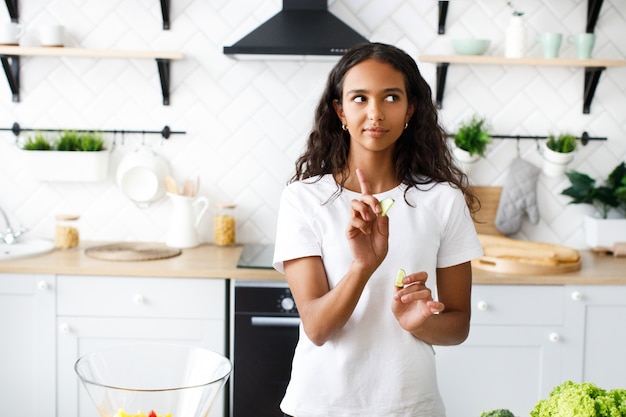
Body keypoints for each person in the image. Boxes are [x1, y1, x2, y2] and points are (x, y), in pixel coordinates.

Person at [272, 42, 484, 417]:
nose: (375, 113)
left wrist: (419, 324)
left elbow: (458, 325)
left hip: (411, 406)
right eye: (359, 98)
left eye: (390, 97)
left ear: (410, 109)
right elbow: (318, 328)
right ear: (340, 110)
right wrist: (363, 266)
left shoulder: (442, 200)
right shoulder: (303, 199)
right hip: (320, 406)